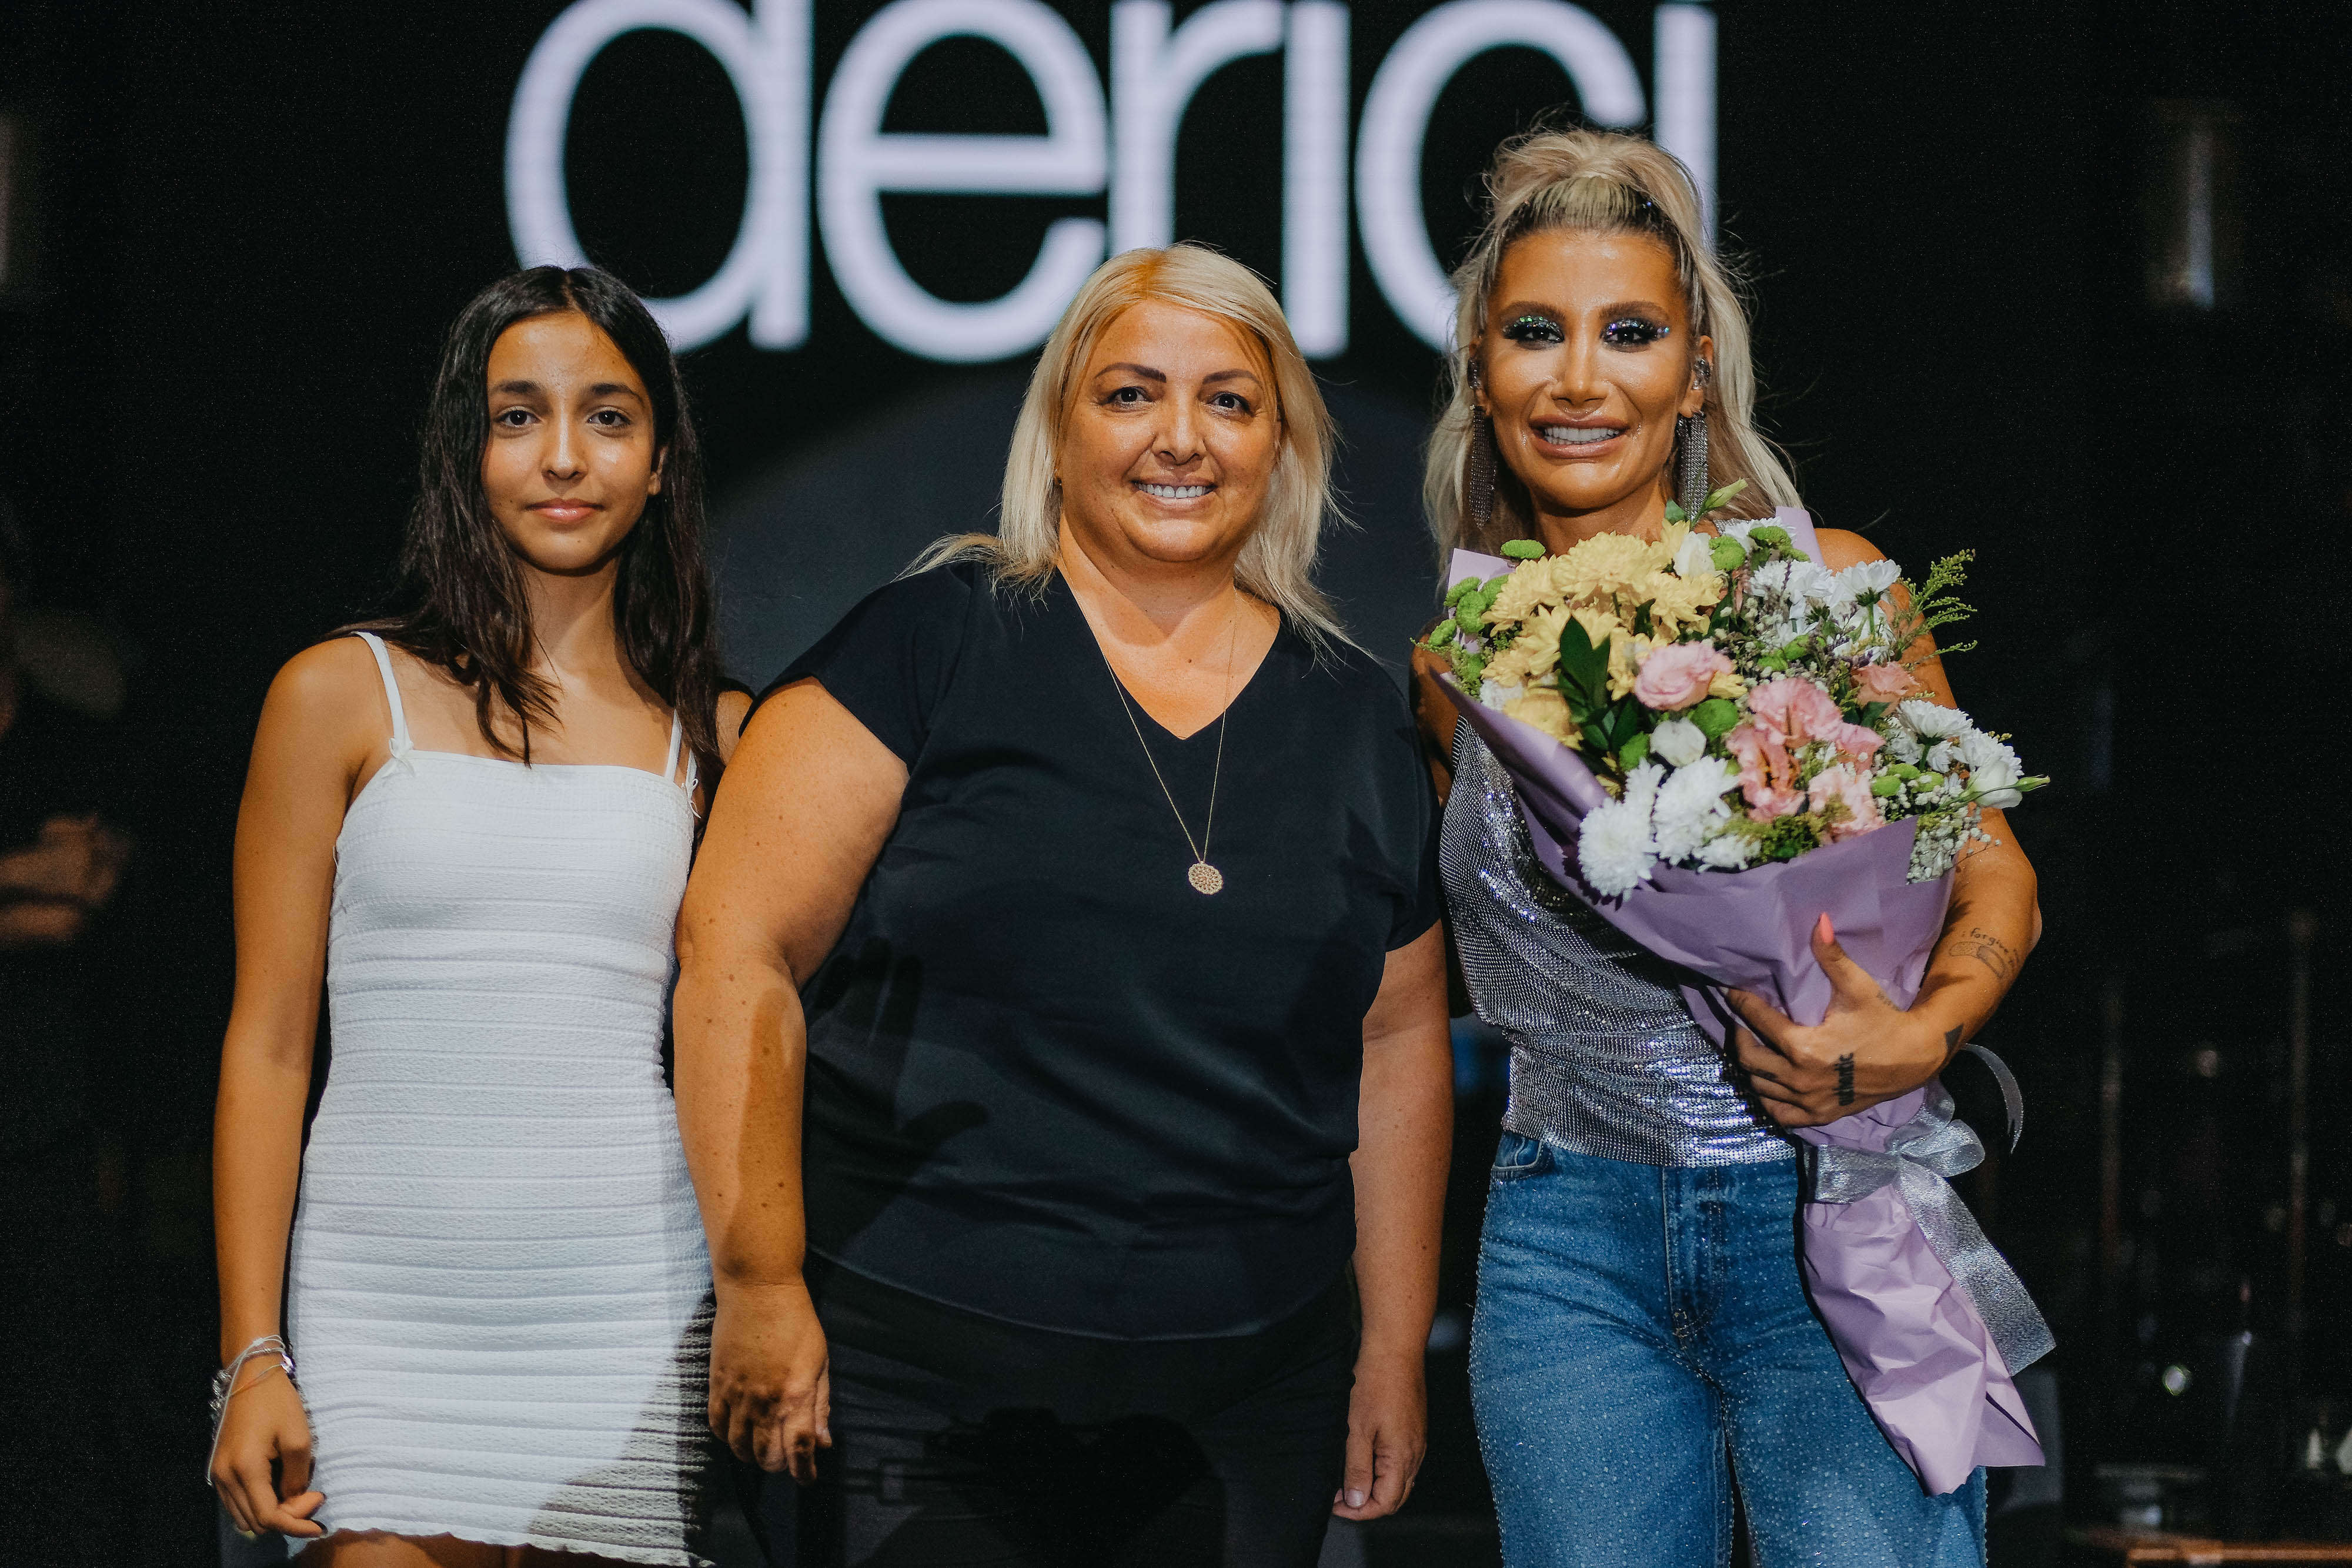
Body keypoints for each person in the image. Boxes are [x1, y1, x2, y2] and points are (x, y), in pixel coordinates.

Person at [673, 243, 1454, 1568]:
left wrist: (1388, 1345)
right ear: (1060, 427)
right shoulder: (930, 641)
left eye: (1227, 400)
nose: (1179, 438)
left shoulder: (1354, 718)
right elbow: (736, 952)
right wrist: (757, 1278)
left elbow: (1394, 1039)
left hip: (1243, 1401)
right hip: (909, 1373)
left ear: (1281, 445)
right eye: (1130, 393)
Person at [1411, 131, 2042, 1567]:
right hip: (1566, 1245)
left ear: (1694, 372)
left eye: (1628, 334)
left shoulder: (1824, 586)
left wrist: (1918, 1034)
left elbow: (1990, 865)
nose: (1578, 378)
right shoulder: (1451, 667)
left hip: (1820, 1203)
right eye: (1533, 332)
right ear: (1480, 371)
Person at [209, 265, 749, 1565]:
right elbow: (268, 1046)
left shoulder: (720, 736)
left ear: (660, 462)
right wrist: (250, 1351)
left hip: (625, 1302)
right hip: (377, 1307)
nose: (563, 456)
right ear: (467, 450)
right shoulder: (337, 693)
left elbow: (756, 1036)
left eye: (608, 417)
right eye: (518, 416)